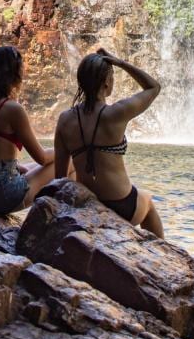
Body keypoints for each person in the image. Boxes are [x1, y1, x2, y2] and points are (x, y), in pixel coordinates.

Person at [53, 48, 164, 237]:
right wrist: (120, 62)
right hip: (122, 205)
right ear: (106, 81)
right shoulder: (116, 113)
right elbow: (154, 87)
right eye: (112, 76)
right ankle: (164, 258)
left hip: (88, 204)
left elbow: (60, 177)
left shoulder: (65, 120)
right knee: (148, 201)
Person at [0, 45, 55, 216]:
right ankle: (64, 219)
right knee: (69, 162)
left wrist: (16, 167)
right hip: (2, 196)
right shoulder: (12, 109)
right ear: (14, 74)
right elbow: (42, 158)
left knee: (29, 167)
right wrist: (66, 149)